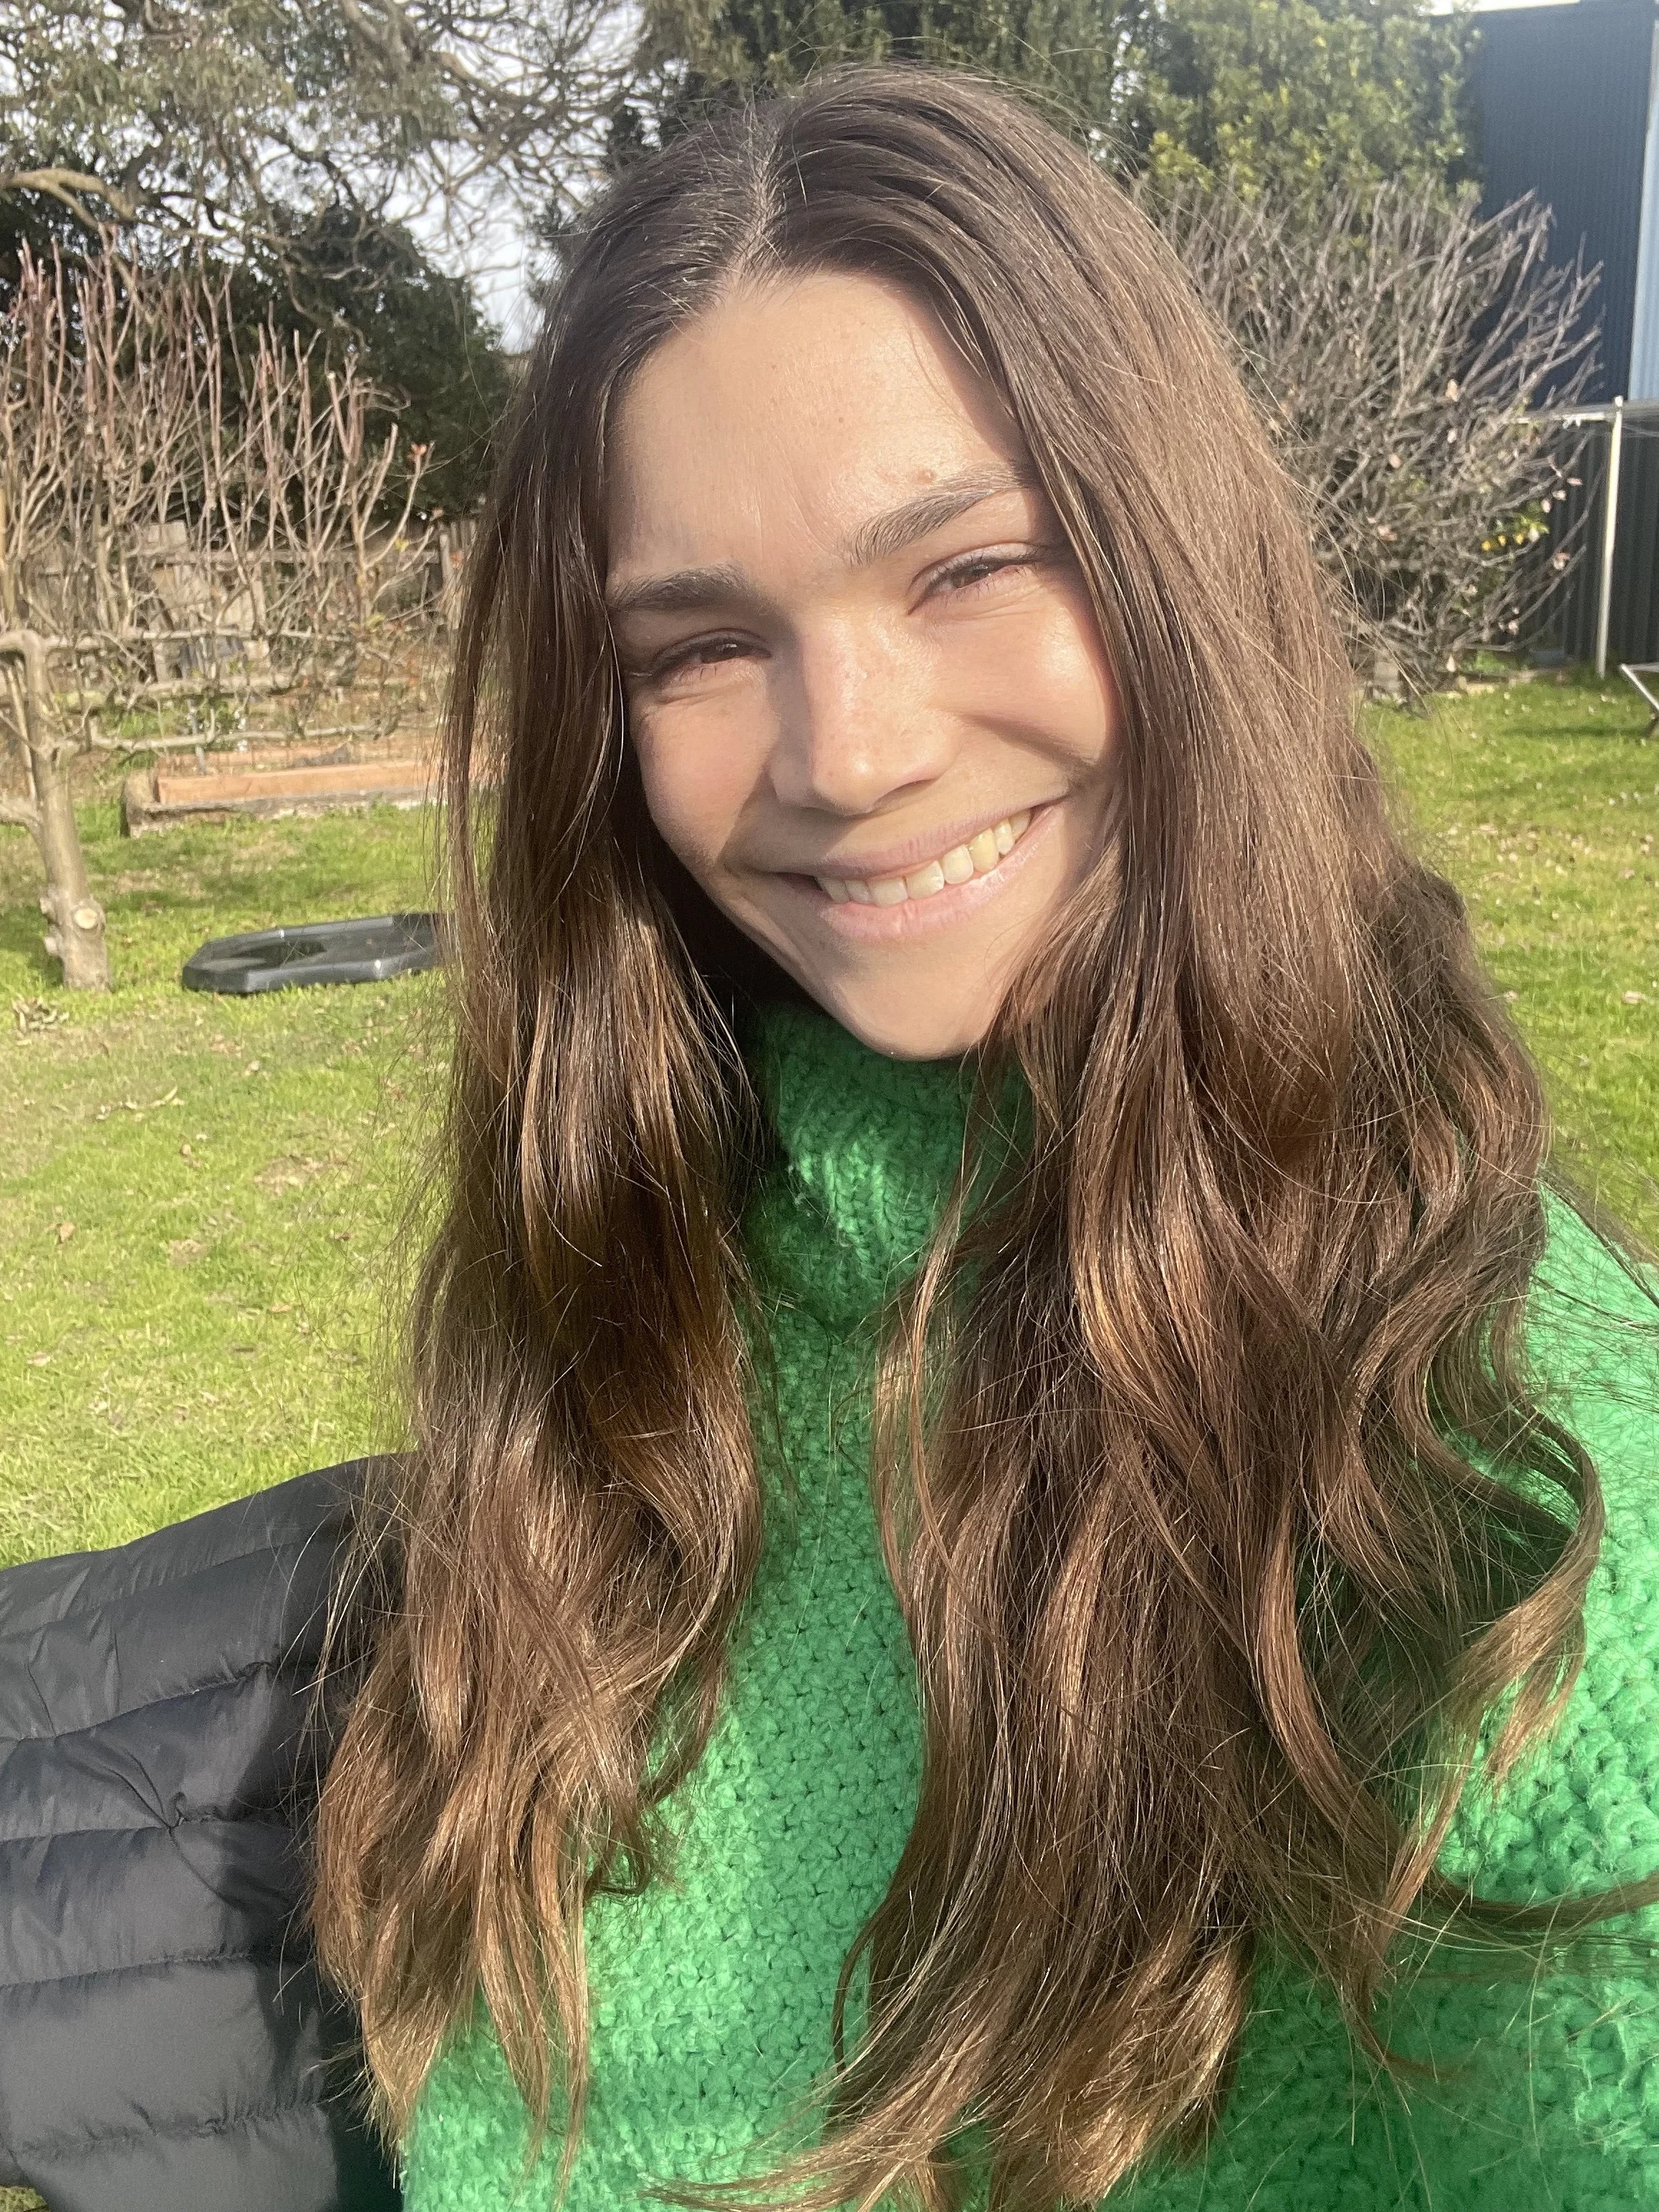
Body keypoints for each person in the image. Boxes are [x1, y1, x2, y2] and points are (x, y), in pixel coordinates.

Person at [2, 58, 1658, 2212]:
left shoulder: (1490, 1469)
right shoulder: (666, 1211)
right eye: (700, 644)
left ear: (1178, 563)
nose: (848, 753)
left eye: (965, 565)